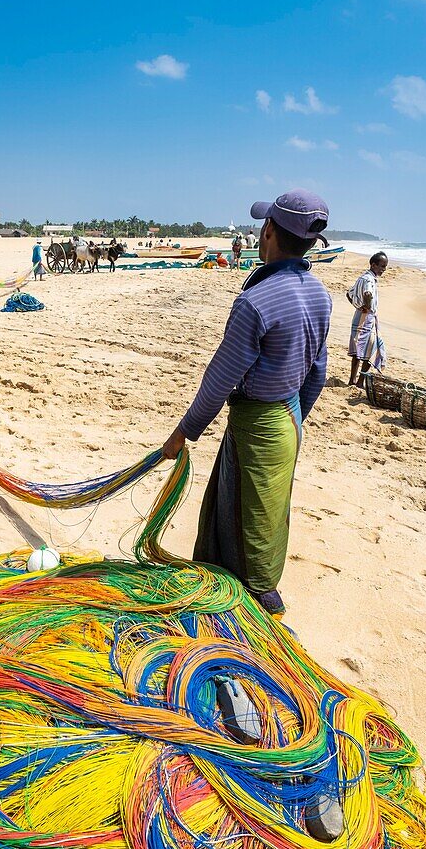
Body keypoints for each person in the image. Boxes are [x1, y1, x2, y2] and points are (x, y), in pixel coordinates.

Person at [162, 189, 333, 618]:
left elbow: (220, 378)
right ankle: (261, 590)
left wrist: (183, 432)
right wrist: (293, 418)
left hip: (258, 425)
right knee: (269, 515)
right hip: (289, 422)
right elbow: (317, 372)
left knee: (245, 525)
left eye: (264, 224)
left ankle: (255, 609)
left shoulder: (254, 302)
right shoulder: (319, 294)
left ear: (270, 230)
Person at [347, 252, 388, 386]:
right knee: (370, 350)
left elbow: (349, 293)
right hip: (367, 317)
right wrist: (367, 306)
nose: (384, 269)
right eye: (382, 266)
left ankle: (352, 380)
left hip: (359, 316)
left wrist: (357, 306)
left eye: (385, 267)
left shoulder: (362, 277)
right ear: (373, 265)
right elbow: (368, 293)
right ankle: (359, 382)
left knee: (358, 350)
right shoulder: (369, 279)